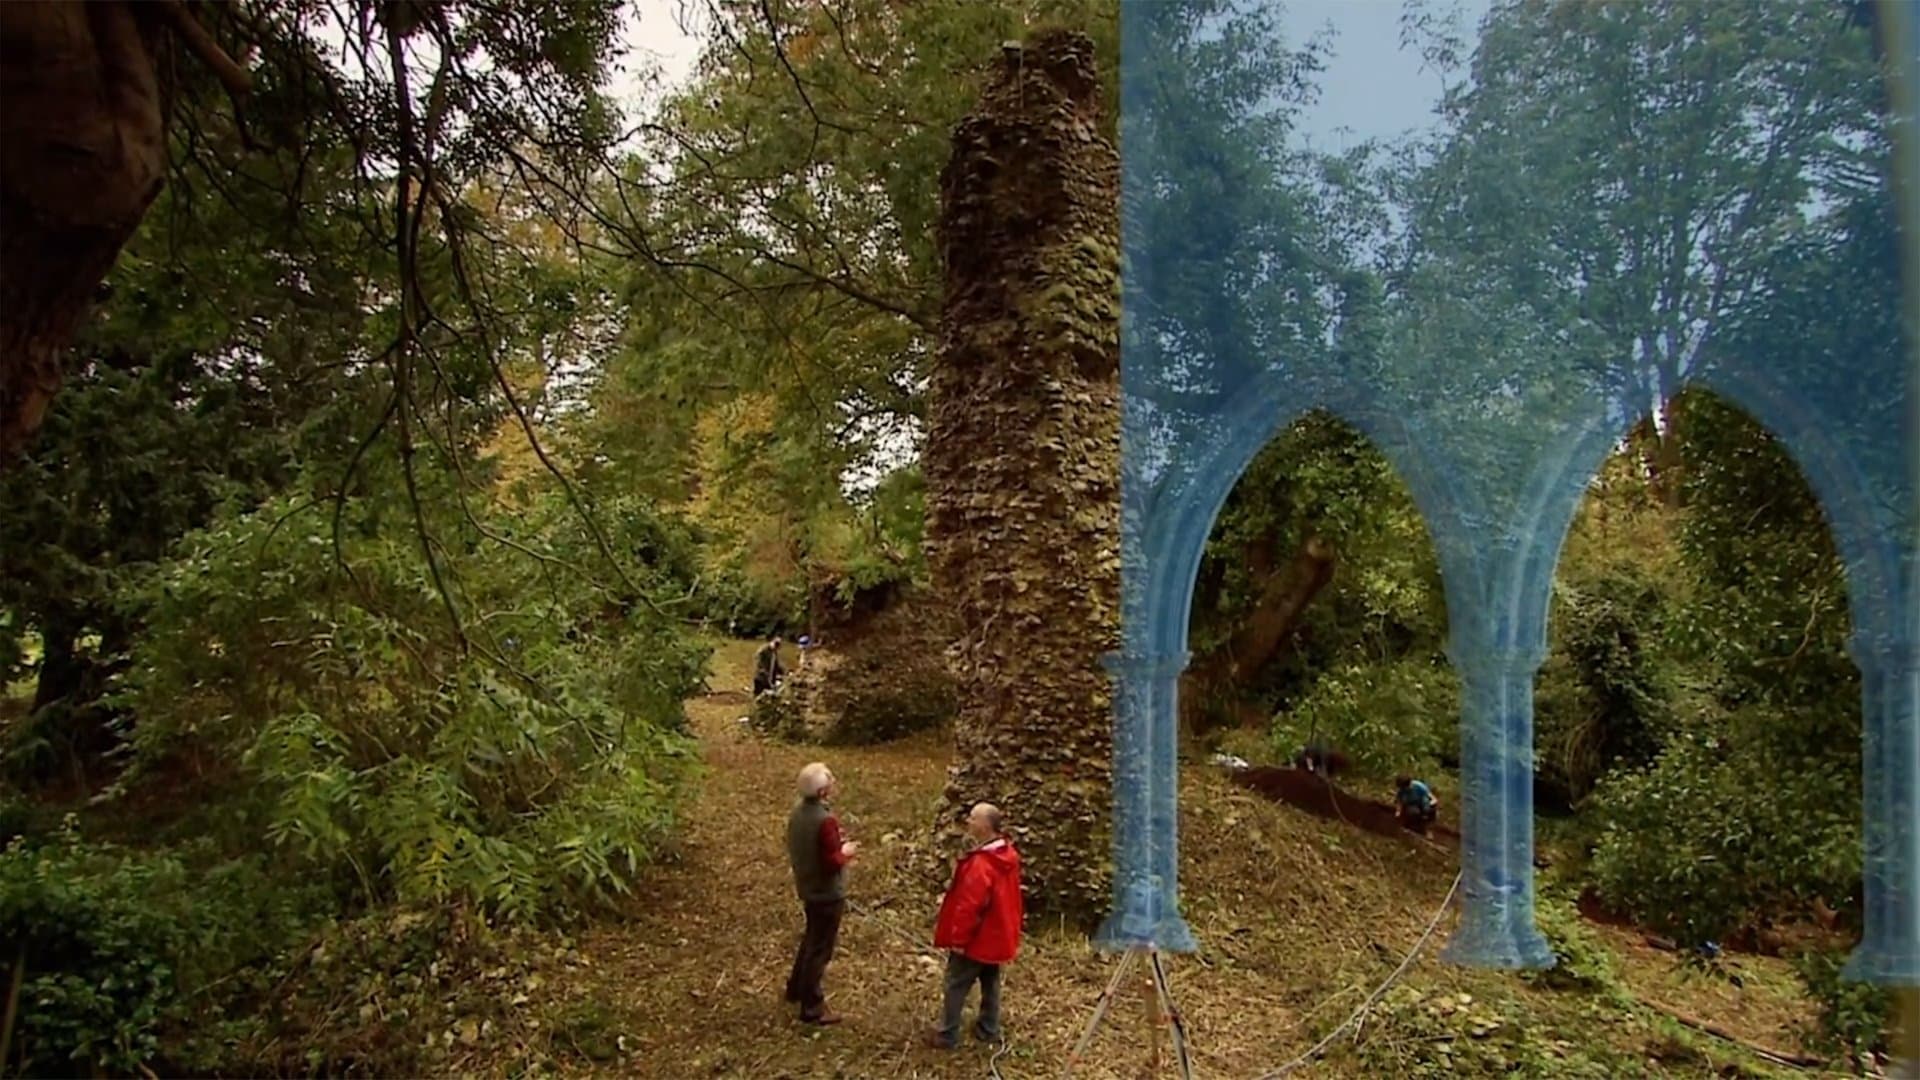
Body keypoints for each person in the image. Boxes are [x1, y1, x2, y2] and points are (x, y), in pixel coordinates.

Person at [926, 803, 1023, 1050]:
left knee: (955, 982)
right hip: (997, 935)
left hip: (978, 938)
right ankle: (988, 1027)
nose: (968, 821)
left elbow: (969, 907)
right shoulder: (1006, 855)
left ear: (985, 826)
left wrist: (959, 940)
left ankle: (947, 1034)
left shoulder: (982, 865)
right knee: (990, 979)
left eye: (973, 818)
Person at [785, 762, 858, 1025]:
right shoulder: (824, 820)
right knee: (820, 949)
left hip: (807, 886)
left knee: (811, 939)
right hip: (825, 893)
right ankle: (812, 1007)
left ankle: (795, 988)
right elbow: (831, 862)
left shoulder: (797, 812)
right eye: (831, 783)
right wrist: (846, 852)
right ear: (823, 792)